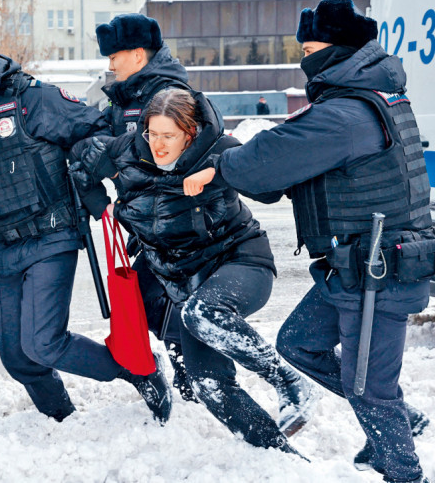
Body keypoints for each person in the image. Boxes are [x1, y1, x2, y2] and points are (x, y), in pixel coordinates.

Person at [184, 0, 435, 483]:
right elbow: (285, 171)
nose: (304, 59)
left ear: (337, 48)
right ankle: (396, 428)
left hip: (380, 272)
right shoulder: (365, 96)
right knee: (300, 343)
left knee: (368, 386)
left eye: (309, 48)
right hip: (354, 266)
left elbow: (269, 158)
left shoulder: (346, 113)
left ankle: (404, 471)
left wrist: (218, 166)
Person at [0, 22, 172, 425]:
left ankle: (139, 372)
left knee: (45, 343)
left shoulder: (33, 100)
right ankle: (61, 420)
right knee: (18, 357)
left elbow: (94, 131)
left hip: (51, 237)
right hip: (2, 250)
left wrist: (88, 176)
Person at [72, 88, 319, 453]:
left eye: (168, 136)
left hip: (240, 261)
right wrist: (100, 205)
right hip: (183, 282)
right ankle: (278, 455)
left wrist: (217, 172)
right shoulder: (127, 151)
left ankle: (288, 382)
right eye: (151, 133)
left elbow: (272, 189)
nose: (157, 144)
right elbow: (80, 159)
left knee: (204, 313)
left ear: (190, 133)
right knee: (209, 384)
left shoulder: (218, 149)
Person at [94, 13, 198, 401]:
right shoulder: (130, 97)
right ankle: (194, 378)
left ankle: (197, 378)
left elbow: (163, 158)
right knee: (154, 303)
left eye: (115, 57)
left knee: (161, 302)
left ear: (138, 55)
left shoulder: (167, 95)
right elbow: (99, 136)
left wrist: (107, 153)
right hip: (149, 222)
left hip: (174, 221)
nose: (110, 65)